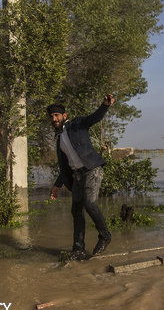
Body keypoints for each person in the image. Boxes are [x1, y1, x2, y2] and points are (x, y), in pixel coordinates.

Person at [47, 94, 114, 260]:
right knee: (76, 211)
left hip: (92, 169)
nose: (54, 118)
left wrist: (105, 105)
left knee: (89, 203)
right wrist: (57, 185)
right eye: (52, 116)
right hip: (77, 175)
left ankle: (105, 235)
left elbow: (93, 118)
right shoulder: (58, 139)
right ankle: (78, 249)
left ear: (64, 116)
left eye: (56, 115)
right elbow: (65, 165)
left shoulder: (76, 124)